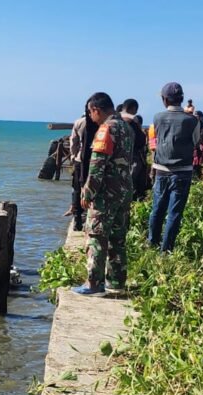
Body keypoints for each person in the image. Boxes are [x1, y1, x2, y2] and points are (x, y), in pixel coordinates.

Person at [72, 92, 135, 295]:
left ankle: (93, 283)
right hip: (124, 190)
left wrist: (87, 193)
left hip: (106, 193)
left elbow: (97, 166)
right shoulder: (126, 127)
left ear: (96, 110)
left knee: (97, 236)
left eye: (91, 113)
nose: (91, 118)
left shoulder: (106, 129)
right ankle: (116, 282)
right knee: (118, 238)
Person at [147, 82, 200, 253]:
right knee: (174, 212)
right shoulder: (192, 120)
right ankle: (166, 250)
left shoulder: (157, 118)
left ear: (164, 99)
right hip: (183, 170)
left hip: (161, 169)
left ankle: (152, 243)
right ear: (182, 98)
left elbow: (154, 140)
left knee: (157, 209)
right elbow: (196, 140)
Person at [65, 102, 90, 231]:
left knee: (77, 188)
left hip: (80, 160)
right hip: (95, 160)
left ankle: (77, 219)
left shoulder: (79, 122)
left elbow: (73, 143)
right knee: (92, 187)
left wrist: (74, 157)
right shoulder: (101, 123)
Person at [119, 99, 150, 201]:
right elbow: (140, 140)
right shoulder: (132, 120)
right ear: (133, 108)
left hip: (115, 157)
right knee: (132, 181)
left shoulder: (112, 118)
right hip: (132, 156)